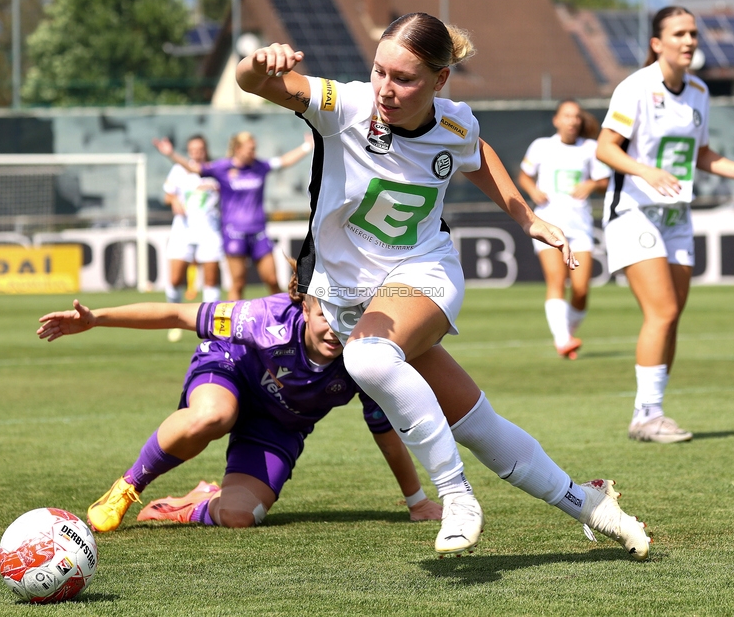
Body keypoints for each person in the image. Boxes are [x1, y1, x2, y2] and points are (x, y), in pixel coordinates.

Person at [235, 11, 651, 560]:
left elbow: (480, 158)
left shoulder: (454, 124)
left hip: (423, 272)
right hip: (346, 297)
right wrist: (258, 64)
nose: (386, 88)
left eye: (404, 78)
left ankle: (456, 498)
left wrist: (527, 218)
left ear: (439, 81)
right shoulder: (345, 104)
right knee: (477, 425)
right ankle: (591, 504)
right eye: (380, 71)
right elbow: (254, 83)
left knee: (367, 360)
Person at [36, 289, 443, 532]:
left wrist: (417, 501)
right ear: (305, 307)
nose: (337, 328)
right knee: (214, 415)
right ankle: (128, 486)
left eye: (350, 317)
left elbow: (384, 431)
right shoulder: (264, 318)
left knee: (238, 517)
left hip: (279, 424)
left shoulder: (366, 356)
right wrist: (97, 319)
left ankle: (193, 504)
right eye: (326, 314)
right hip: (228, 370)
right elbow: (180, 314)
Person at [595, 6, 734, 443]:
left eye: (693, 32)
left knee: (672, 317)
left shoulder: (698, 89)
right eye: (679, 33)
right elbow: (605, 148)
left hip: (677, 215)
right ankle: (645, 416)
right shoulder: (635, 87)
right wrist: (646, 172)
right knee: (663, 311)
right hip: (634, 212)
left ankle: (652, 413)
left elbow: (700, 154)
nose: (689, 40)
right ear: (657, 43)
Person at [154, 132, 314, 301]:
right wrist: (171, 154)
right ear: (237, 149)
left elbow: (284, 161)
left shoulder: (260, 166)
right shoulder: (222, 168)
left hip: (258, 232)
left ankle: (283, 318)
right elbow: (194, 168)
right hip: (233, 233)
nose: (253, 152)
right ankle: (232, 325)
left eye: (254, 149)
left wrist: (307, 146)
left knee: (272, 280)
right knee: (238, 283)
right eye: (250, 149)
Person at [518, 100, 611, 360]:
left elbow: (604, 181)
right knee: (557, 280)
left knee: (581, 291)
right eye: (567, 116)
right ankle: (562, 340)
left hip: (580, 227)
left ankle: (566, 332)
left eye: (576, 117)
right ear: (556, 120)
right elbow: (524, 175)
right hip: (549, 225)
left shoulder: (590, 148)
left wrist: (591, 185)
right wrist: (533, 190)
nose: (572, 121)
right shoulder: (541, 146)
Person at [161, 135, 224, 343]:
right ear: (188, 151)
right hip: (183, 230)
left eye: (200, 148)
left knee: (210, 280)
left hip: (209, 230)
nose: (196, 152)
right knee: (175, 280)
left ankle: (209, 329)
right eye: (193, 149)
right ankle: (173, 321)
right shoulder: (178, 170)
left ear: (206, 149)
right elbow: (167, 195)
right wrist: (174, 202)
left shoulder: (215, 170)